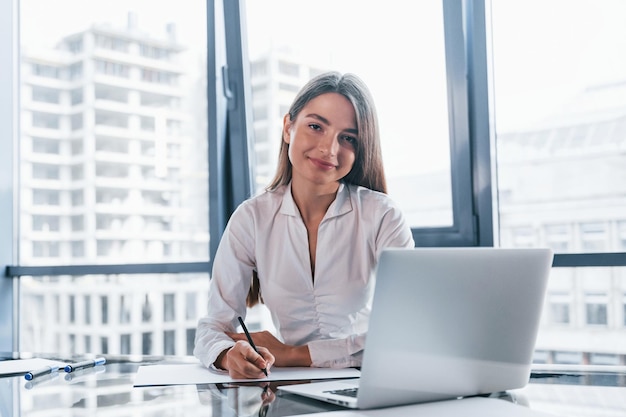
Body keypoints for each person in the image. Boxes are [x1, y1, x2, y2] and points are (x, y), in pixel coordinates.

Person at [194, 71, 414, 379]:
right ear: (288, 128)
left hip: (368, 383)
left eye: (347, 138)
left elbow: (408, 330)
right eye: (316, 127)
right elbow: (212, 328)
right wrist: (229, 355)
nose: (329, 149)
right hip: (286, 386)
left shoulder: (382, 215)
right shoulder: (252, 218)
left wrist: (295, 355)